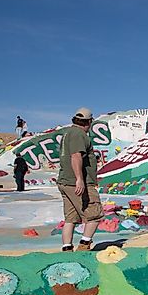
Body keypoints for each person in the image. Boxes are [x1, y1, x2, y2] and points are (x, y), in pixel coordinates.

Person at [57, 107, 103, 251]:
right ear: (88, 122)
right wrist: (80, 179)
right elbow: (76, 156)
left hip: (65, 181)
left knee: (71, 218)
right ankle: (84, 246)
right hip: (75, 182)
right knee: (95, 215)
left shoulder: (68, 133)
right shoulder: (79, 134)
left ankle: (67, 249)